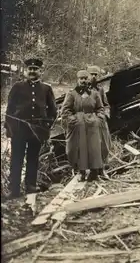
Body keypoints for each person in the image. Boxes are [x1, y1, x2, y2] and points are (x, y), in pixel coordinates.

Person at [4, 58, 58, 199]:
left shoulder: (46, 89)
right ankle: (14, 189)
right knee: (16, 159)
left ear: (40, 71)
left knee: (33, 158)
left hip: (37, 130)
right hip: (19, 129)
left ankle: (31, 186)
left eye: (35, 69)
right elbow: (9, 109)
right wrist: (10, 128)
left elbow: (53, 111)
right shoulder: (17, 87)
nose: (32, 71)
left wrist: (46, 126)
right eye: (30, 69)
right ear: (26, 71)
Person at [61, 70, 105, 182]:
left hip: (92, 124)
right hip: (78, 125)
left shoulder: (94, 94)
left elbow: (100, 108)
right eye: (81, 78)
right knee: (78, 149)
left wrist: (98, 119)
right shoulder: (72, 93)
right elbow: (65, 110)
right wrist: (73, 120)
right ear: (77, 80)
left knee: (94, 148)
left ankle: (94, 172)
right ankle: (81, 172)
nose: (83, 81)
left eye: (85, 78)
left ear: (88, 79)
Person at [88, 65, 112, 176]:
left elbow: (106, 105)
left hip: (101, 120)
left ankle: (102, 170)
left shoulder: (100, 90)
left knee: (105, 145)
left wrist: (105, 115)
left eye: (95, 75)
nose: (93, 77)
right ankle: (93, 171)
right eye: (91, 74)